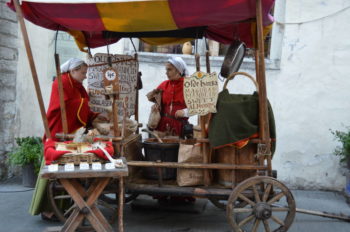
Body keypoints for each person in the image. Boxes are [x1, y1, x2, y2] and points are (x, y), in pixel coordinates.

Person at [45, 57, 103, 141]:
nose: (85, 77)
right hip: (60, 125)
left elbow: (80, 103)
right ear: (73, 71)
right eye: (83, 73)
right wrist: (84, 102)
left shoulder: (77, 84)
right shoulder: (62, 82)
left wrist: (94, 115)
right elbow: (65, 106)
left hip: (72, 126)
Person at [153, 56, 190, 136]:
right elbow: (156, 103)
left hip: (180, 128)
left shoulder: (189, 86)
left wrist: (184, 112)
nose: (166, 73)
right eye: (166, 70)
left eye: (169, 70)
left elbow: (198, 108)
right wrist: (156, 107)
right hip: (161, 128)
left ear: (178, 70)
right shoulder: (163, 85)